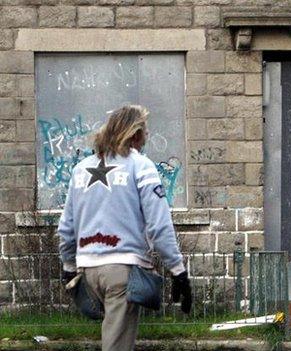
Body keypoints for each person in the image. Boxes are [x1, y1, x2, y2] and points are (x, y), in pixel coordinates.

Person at [57, 105, 192, 351]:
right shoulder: (141, 166)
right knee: (117, 345)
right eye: (145, 131)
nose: (147, 137)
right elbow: (159, 225)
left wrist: (68, 266)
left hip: (87, 271)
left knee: (111, 337)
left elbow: (66, 226)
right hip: (122, 269)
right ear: (136, 134)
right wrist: (178, 270)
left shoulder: (80, 170)